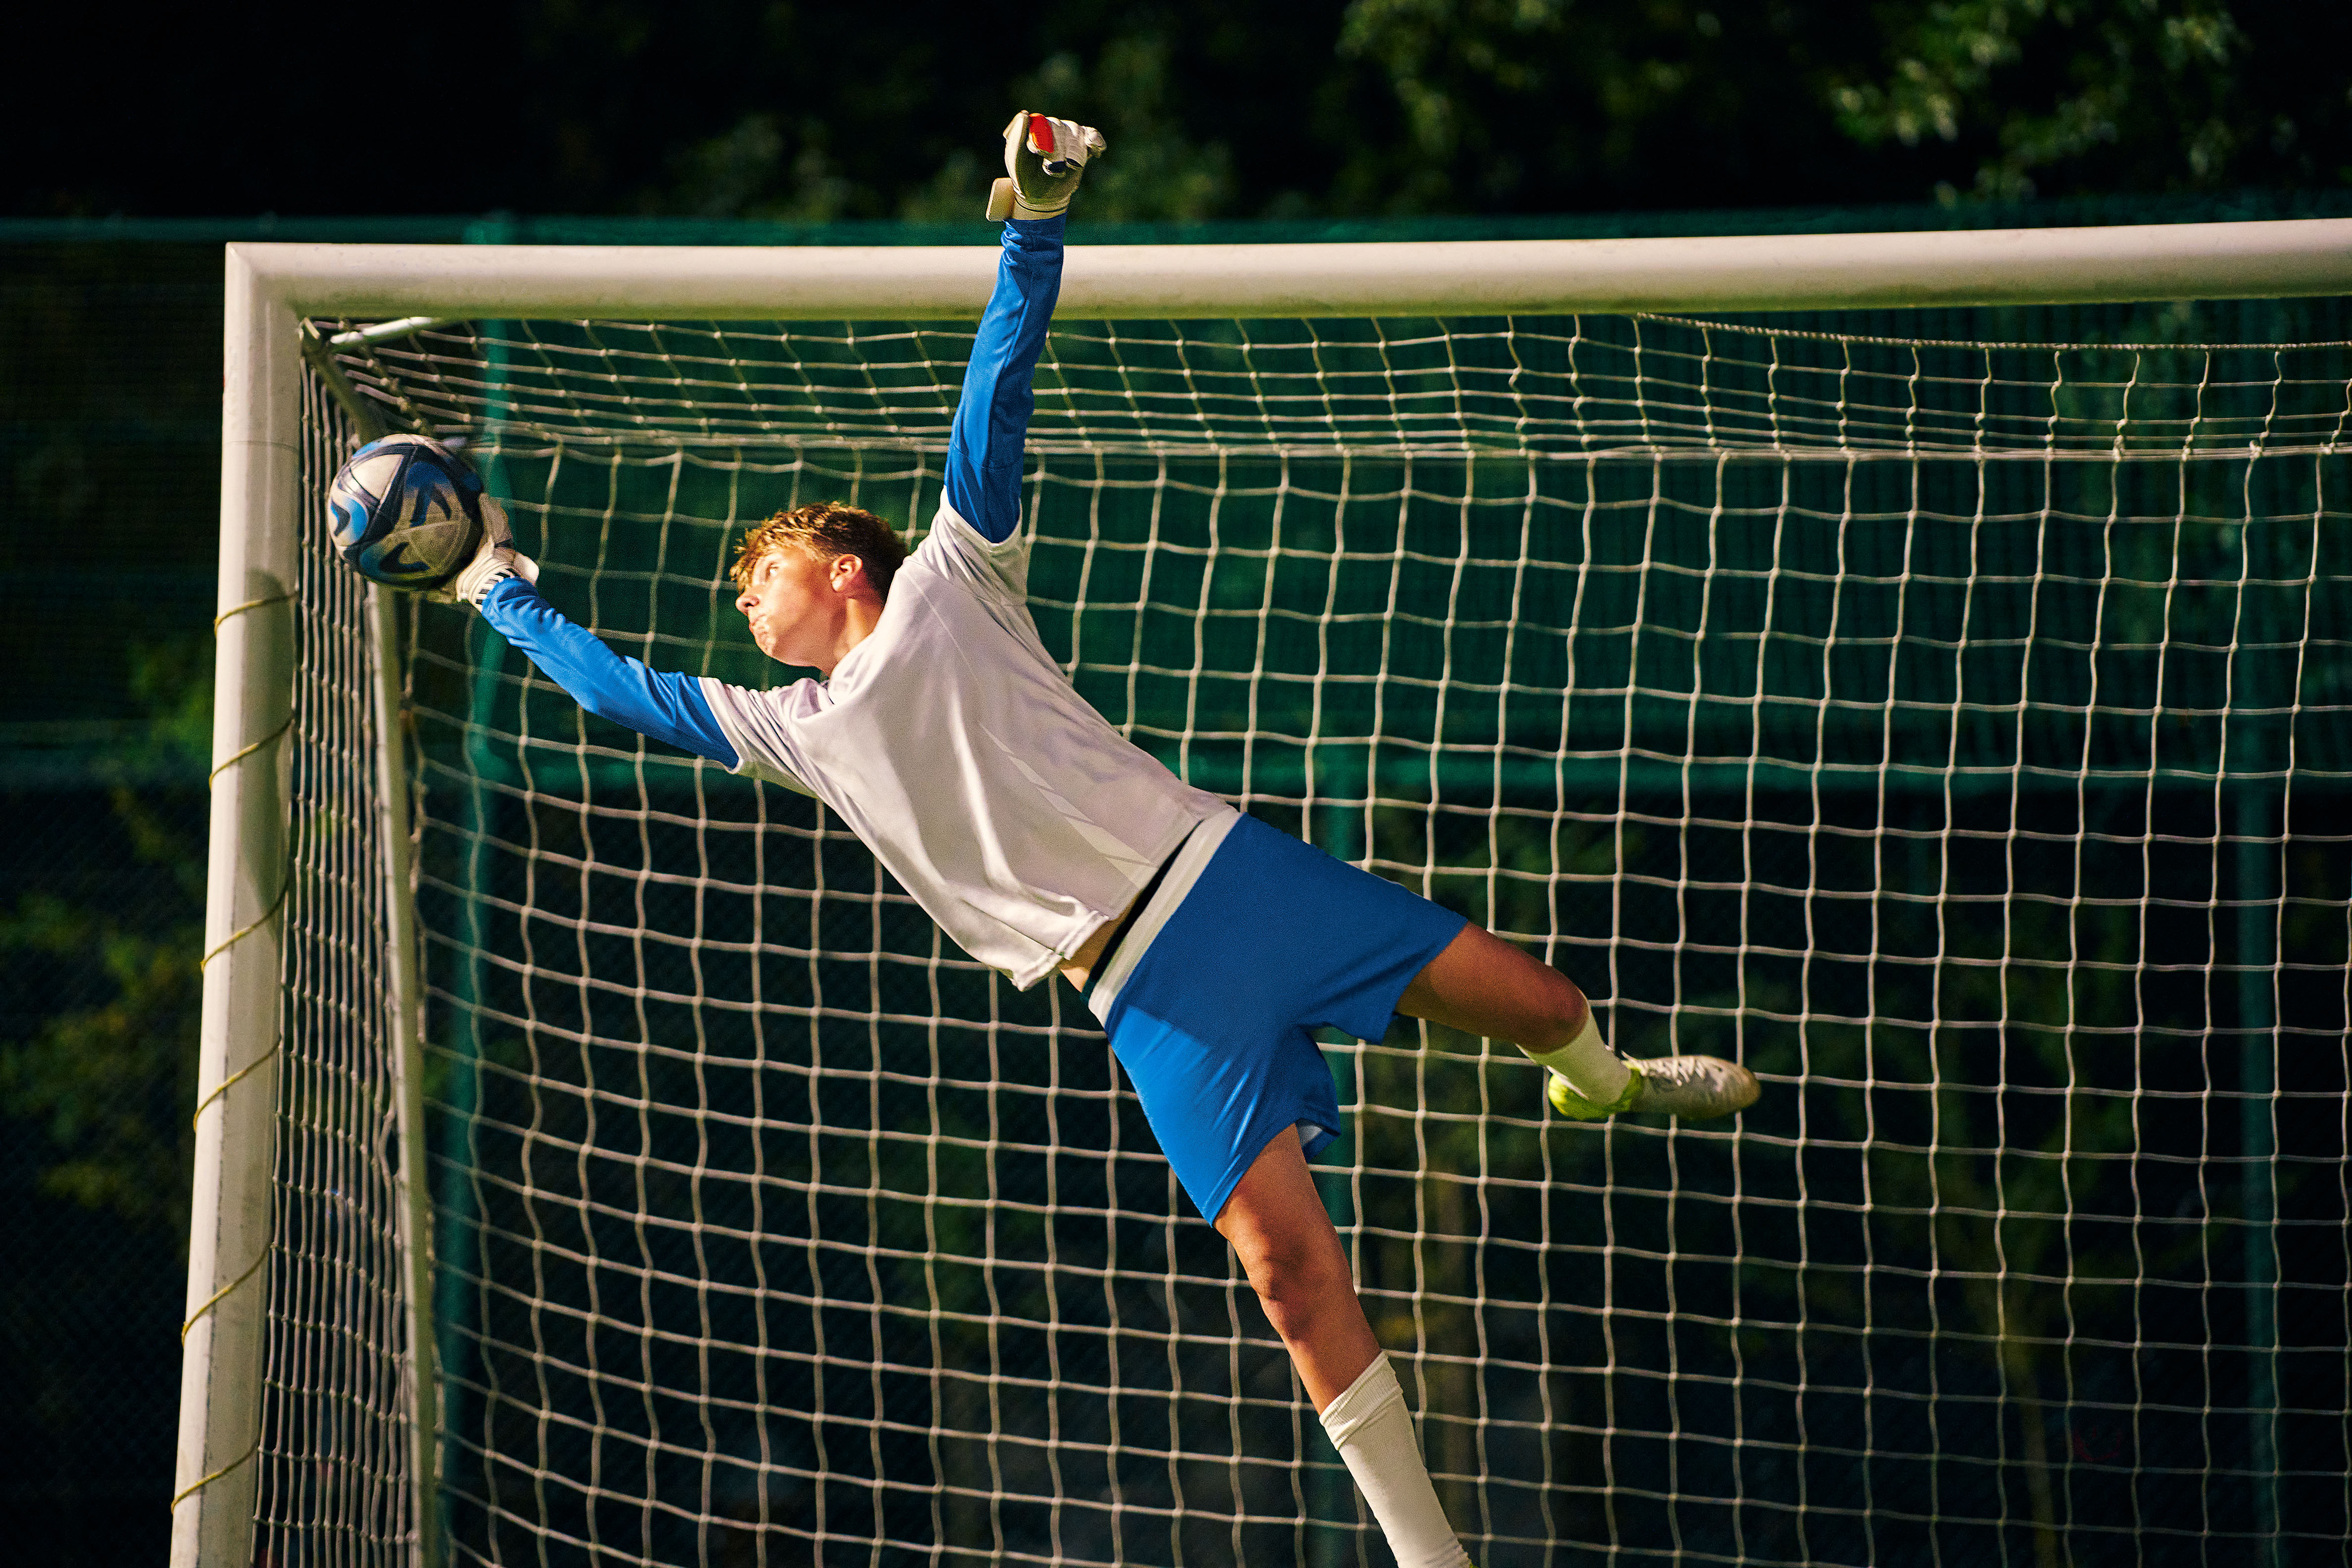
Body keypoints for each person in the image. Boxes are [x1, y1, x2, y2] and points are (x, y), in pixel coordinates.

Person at [442, 111, 1759, 1568]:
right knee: (1286, 1275)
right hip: (1147, 998)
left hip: (1234, 881)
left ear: (839, 567)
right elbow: (626, 692)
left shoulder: (957, 578)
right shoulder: (795, 731)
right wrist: (498, 590)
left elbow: (997, 381)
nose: (744, 610)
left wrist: (1037, 221)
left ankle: (1613, 1086)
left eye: (757, 581)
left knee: (1546, 1008)